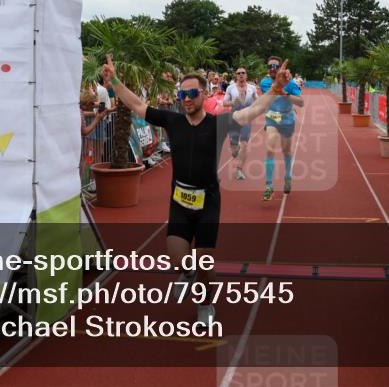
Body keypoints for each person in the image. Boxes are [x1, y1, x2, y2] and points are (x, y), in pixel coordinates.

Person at [103, 54, 293, 326]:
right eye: (182, 93)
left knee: (205, 263)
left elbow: (253, 111)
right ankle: (187, 273)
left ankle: (205, 304)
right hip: (179, 200)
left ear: (204, 94)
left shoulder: (219, 124)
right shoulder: (173, 121)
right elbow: (137, 104)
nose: (186, 98)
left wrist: (275, 89)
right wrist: (115, 82)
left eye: (192, 93)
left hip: (208, 203)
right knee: (178, 258)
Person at [259, 56, 304, 201]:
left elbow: (301, 102)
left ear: (279, 68)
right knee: (270, 148)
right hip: (272, 117)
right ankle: (269, 186)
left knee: (286, 150)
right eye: (270, 66)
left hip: (287, 118)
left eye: (275, 66)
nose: (272, 68)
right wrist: (277, 87)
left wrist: (285, 93)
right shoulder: (264, 82)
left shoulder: (290, 83)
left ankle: (288, 176)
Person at [223, 67, 258, 181]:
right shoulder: (230, 88)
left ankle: (239, 170)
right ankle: (235, 150)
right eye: (238, 73)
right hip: (234, 118)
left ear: (246, 75)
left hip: (246, 118)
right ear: (236, 76)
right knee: (234, 149)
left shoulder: (252, 88)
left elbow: (257, 101)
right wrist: (233, 102)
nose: (241, 75)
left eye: (243, 73)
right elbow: (224, 103)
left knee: (244, 144)